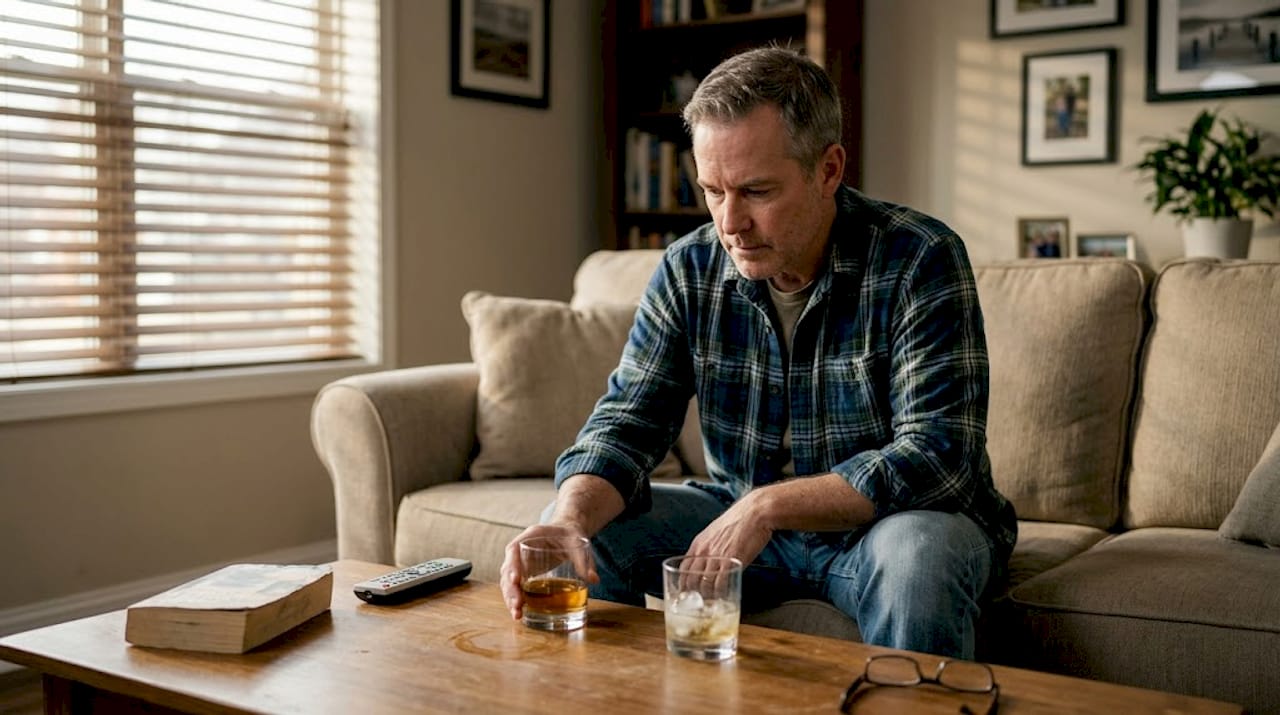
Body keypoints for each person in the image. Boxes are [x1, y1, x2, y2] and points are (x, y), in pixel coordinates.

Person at [498, 47, 1017, 660]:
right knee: (581, 533)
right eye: (712, 191)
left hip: (889, 527)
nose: (730, 222)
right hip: (740, 511)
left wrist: (767, 506)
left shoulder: (920, 258)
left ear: (829, 170)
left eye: (756, 191)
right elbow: (628, 421)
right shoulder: (689, 268)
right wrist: (569, 517)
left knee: (918, 560)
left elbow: (938, 457)